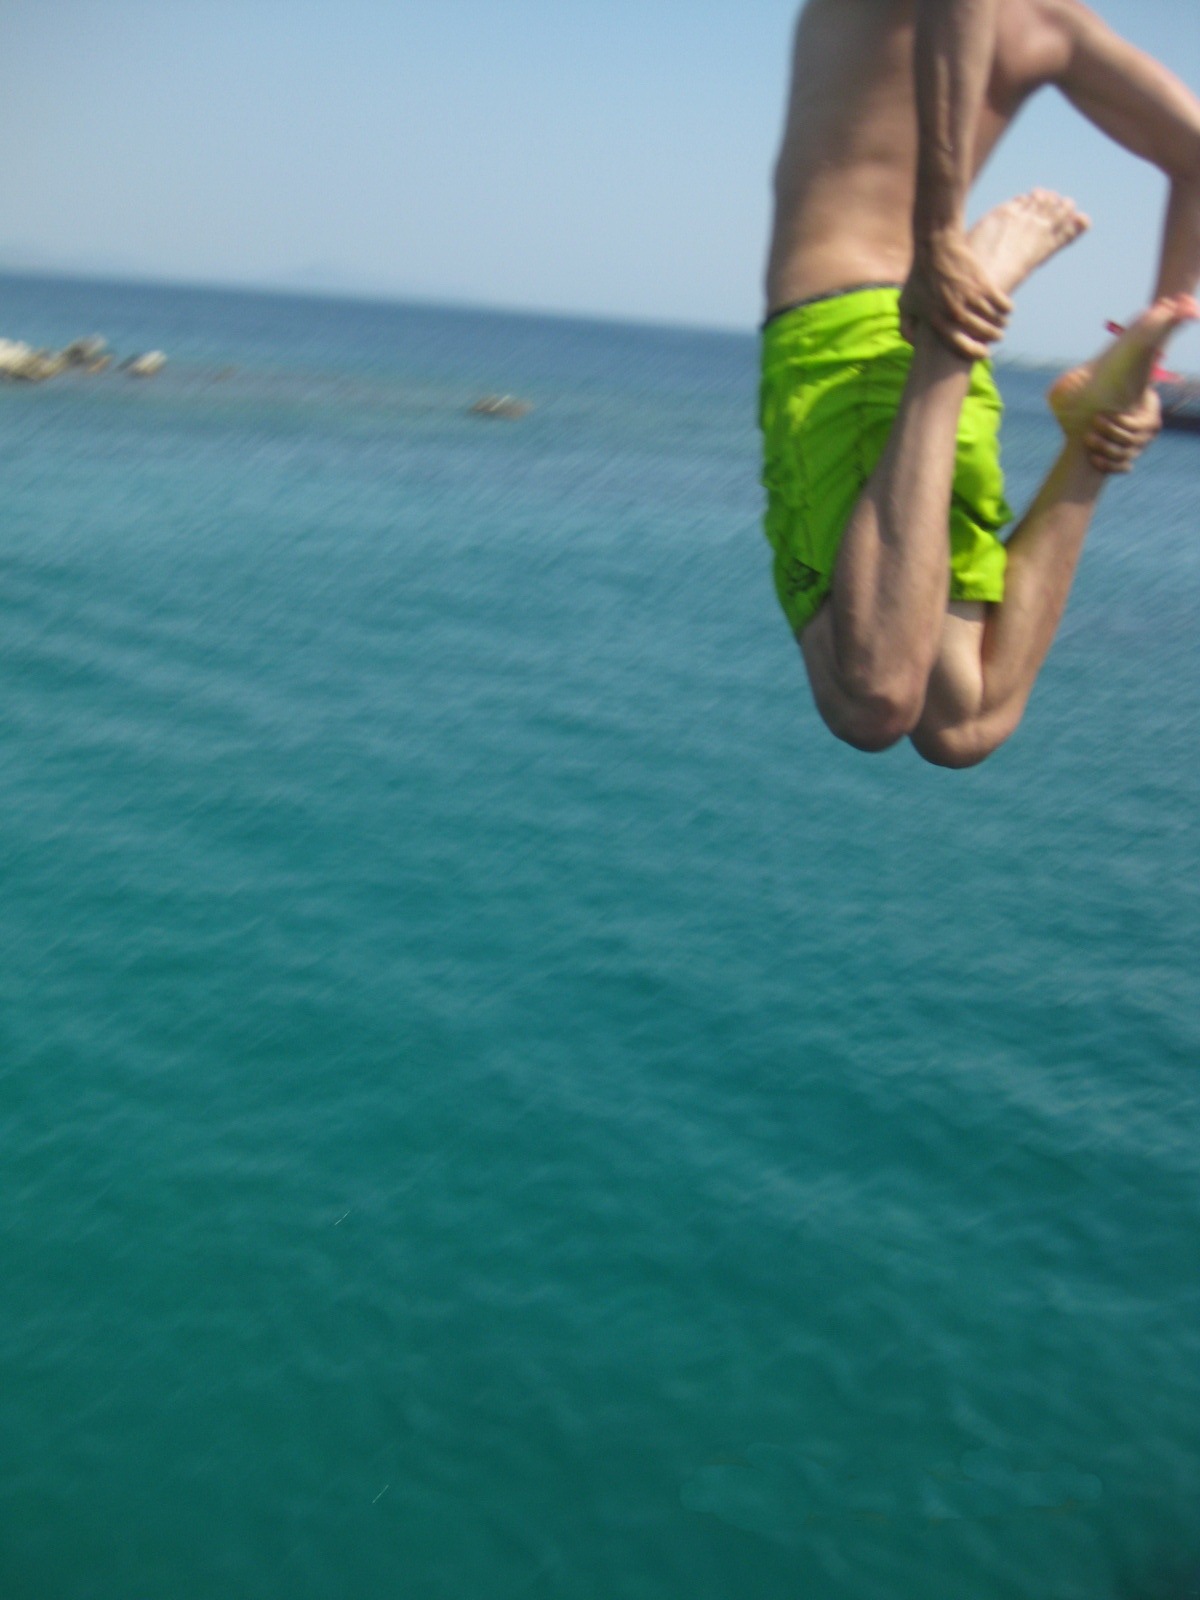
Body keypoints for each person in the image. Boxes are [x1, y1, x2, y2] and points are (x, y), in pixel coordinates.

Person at [761, 0, 1200, 767]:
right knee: (963, 724)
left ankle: (945, 345)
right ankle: (1087, 433)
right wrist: (1146, 363)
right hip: (956, 317)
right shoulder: (1054, 26)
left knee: (870, 696)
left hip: (851, 333)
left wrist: (939, 239)